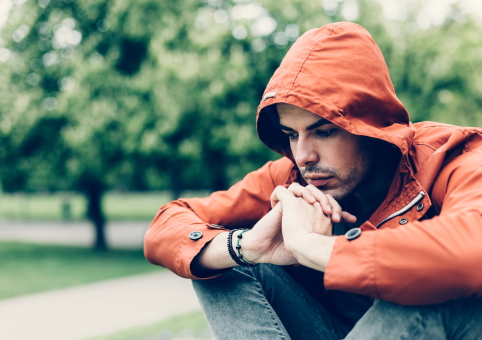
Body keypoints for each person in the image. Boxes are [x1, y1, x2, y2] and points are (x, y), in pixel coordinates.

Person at [144, 22, 482, 339]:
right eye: (291, 134)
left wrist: (312, 247)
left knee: (427, 287)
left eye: (323, 131)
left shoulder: (455, 156)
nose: (304, 155)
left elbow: (470, 250)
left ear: (370, 125)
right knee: (223, 262)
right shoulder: (292, 178)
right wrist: (246, 246)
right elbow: (167, 223)